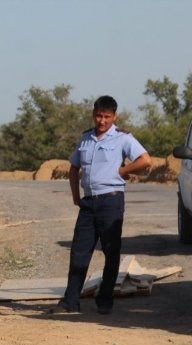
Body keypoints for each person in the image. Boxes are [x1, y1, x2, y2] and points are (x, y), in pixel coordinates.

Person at [51, 95, 151, 315]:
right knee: (79, 252)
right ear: (93, 115)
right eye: (98, 116)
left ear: (114, 117)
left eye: (106, 117)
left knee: (111, 251)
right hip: (89, 203)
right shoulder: (86, 138)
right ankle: (70, 302)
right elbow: (74, 168)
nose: (102, 121)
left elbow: (145, 160)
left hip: (111, 201)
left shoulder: (123, 138)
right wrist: (76, 195)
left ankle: (105, 299)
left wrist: (123, 171)